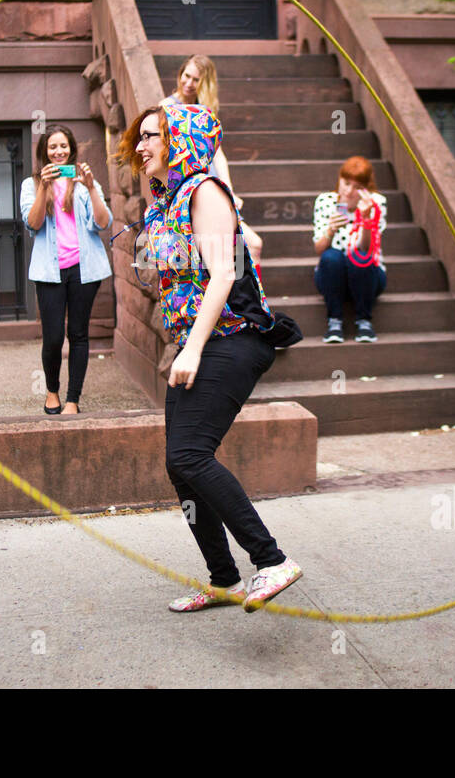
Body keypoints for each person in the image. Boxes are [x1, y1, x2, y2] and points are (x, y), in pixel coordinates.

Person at [116, 101, 302, 613]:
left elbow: (223, 274)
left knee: (189, 455)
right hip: (200, 338)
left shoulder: (205, 192)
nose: (142, 144)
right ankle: (224, 578)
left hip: (234, 339)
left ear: (183, 140)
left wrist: (192, 349)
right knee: (181, 467)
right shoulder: (167, 200)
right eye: (141, 136)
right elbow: (167, 272)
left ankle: (272, 561)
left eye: (154, 135)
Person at [19, 124, 112, 415]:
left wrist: (92, 186)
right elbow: (32, 224)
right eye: (52, 148)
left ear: (71, 148)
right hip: (50, 271)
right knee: (54, 337)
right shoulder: (31, 184)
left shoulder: (84, 182)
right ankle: (52, 391)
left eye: (63, 146)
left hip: (84, 271)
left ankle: (73, 399)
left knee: (79, 334)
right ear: (44, 152)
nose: (59, 152)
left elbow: (103, 223)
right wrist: (45, 188)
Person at [163, 54, 263, 258]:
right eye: (186, 75)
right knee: (224, 252)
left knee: (252, 246)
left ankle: (246, 290)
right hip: (189, 190)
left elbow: (218, 154)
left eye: (196, 79)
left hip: (213, 187)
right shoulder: (166, 108)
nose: (188, 83)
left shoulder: (205, 110)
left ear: (205, 83)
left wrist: (230, 192)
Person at [312, 156, 388, 342]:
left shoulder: (376, 203)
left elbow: (367, 249)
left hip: (369, 276)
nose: (348, 191)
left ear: (365, 188)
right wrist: (330, 230)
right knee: (331, 257)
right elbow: (319, 250)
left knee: (360, 256)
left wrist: (366, 219)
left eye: (356, 187)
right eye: (345, 183)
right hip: (332, 276)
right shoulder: (325, 201)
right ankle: (335, 322)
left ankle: (364, 321)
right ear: (339, 179)